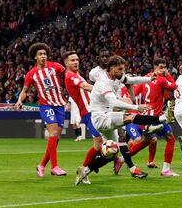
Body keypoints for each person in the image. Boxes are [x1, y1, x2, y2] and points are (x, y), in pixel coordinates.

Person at [75, 55, 168, 184]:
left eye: (123, 69)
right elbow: (114, 103)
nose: (122, 72)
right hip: (100, 117)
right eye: (120, 69)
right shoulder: (103, 82)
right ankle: (161, 119)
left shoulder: (117, 77)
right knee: (130, 117)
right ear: (112, 68)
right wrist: (136, 107)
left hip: (109, 116)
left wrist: (149, 79)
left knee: (112, 152)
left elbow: (131, 80)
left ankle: (84, 171)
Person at [15, 42, 67, 177]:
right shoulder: (31, 74)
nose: (43, 56)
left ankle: (42, 165)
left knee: (57, 137)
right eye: (40, 54)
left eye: (44, 54)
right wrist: (20, 100)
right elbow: (25, 90)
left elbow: (68, 76)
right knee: (53, 132)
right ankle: (54, 167)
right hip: (46, 105)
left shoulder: (56, 66)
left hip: (60, 105)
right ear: (35, 57)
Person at [64, 51, 106, 185]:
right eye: (72, 60)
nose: (76, 62)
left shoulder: (77, 74)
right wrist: (105, 92)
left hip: (95, 110)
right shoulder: (70, 76)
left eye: (77, 59)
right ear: (66, 63)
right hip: (89, 112)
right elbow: (85, 86)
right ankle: (85, 169)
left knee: (102, 144)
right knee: (100, 144)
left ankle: (90, 166)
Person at [134, 58, 179, 177]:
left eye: (165, 68)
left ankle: (122, 159)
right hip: (154, 117)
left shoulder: (145, 78)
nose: (163, 70)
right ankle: (166, 170)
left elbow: (135, 92)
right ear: (155, 68)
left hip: (144, 116)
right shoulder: (161, 79)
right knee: (170, 138)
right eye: (161, 67)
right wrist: (168, 75)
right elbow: (174, 86)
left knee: (146, 142)